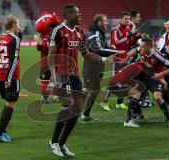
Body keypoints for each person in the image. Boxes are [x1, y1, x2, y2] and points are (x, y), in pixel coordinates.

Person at [47, 5, 117, 157]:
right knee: (67, 106)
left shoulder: (79, 32)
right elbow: (51, 55)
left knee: (77, 110)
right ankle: (54, 142)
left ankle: (63, 143)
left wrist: (104, 58)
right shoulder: (58, 31)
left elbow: (86, 54)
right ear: (68, 14)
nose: (80, 15)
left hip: (74, 75)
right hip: (61, 74)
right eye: (77, 13)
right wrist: (54, 75)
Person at [123, 38, 169, 128]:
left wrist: (160, 74)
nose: (140, 49)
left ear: (149, 47)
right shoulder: (142, 50)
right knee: (134, 94)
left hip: (156, 79)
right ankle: (130, 120)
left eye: (142, 47)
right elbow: (135, 50)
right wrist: (126, 58)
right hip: (144, 77)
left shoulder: (158, 56)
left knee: (158, 97)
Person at [81, 14, 124, 121]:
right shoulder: (95, 34)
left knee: (95, 90)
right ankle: (73, 113)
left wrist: (114, 55)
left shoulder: (100, 34)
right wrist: (117, 52)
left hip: (99, 65)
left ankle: (86, 114)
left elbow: (104, 49)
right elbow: (99, 50)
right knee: (86, 89)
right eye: (105, 21)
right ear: (99, 22)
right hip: (90, 66)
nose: (107, 23)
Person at [101, 11, 137, 111]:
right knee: (115, 81)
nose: (127, 21)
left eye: (129, 19)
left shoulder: (128, 28)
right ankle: (104, 102)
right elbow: (116, 42)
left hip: (125, 58)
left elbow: (128, 43)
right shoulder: (115, 29)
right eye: (126, 19)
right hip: (117, 58)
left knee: (125, 80)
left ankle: (120, 102)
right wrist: (129, 36)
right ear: (121, 19)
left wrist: (134, 38)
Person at [0, 15, 22, 143]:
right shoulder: (14, 39)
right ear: (14, 25)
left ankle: (3, 131)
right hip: (10, 76)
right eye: (17, 24)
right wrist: (9, 79)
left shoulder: (1, 38)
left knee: (7, 103)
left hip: (0, 72)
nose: (19, 26)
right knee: (10, 105)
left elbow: (2, 54)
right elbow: (13, 60)